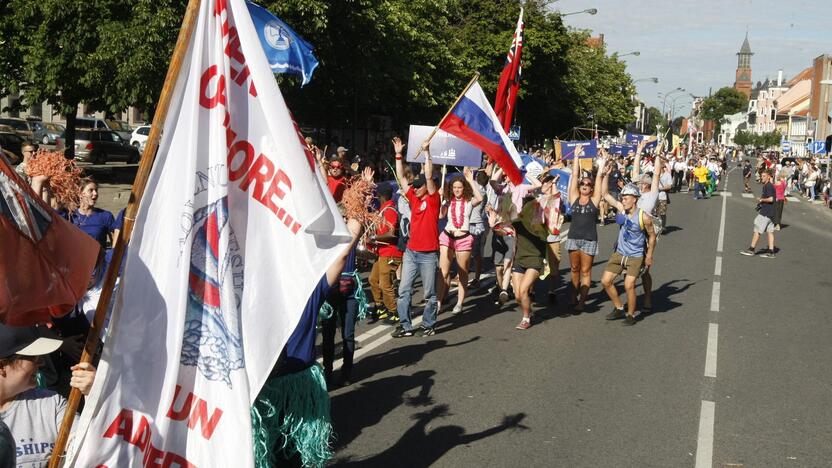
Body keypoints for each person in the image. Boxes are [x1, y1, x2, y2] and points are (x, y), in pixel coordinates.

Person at [252, 218, 364, 467]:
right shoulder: (254, 296)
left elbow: (340, 256)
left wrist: (355, 216)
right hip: (266, 392)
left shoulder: (308, 291)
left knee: (291, 457)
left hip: (295, 393)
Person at [0, 324, 96, 468]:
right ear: (2, 366)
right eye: (32, 357)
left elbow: (89, 448)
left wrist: (95, 396)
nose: (41, 362)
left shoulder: (52, 403)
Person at [392, 140, 441, 338]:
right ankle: (406, 326)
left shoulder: (433, 199)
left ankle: (428, 324)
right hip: (411, 252)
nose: (416, 189)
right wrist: (398, 155)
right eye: (416, 186)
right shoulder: (413, 196)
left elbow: (428, 176)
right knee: (404, 290)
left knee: (429, 294)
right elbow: (401, 177)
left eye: (420, 187)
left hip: (428, 254)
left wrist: (427, 152)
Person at [599, 184, 656, 325]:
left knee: (628, 285)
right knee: (605, 281)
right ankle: (619, 308)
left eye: (625, 198)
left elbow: (652, 236)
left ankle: (631, 315)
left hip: (635, 255)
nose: (623, 201)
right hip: (620, 253)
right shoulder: (621, 210)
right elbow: (605, 194)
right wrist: (604, 172)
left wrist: (649, 255)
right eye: (622, 198)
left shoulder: (644, 217)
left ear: (634, 199)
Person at [511, 174, 563, 329]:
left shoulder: (540, 223)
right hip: (519, 259)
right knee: (518, 296)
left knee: (523, 290)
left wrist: (550, 188)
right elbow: (503, 228)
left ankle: (526, 318)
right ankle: (528, 311)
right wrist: (494, 223)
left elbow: (553, 203)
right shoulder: (517, 222)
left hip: (535, 259)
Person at [436, 167, 483, 315]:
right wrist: (440, 199)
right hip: (447, 237)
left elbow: (480, 198)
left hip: (463, 238)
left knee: (462, 272)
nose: (457, 190)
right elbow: (440, 216)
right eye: (454, 187)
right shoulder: (448, 201)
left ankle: (459, 302)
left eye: (459, 187)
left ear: (464, 188)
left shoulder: (469, 201)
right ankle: (438, 301)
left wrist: (470, 180)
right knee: (443, 271)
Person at [565, 146, 605, 313]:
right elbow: (574, 175)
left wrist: (601, 165)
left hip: (589, 239)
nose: (585, 185)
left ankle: (582, 302)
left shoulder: (594, 201)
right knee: (574, 269)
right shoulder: (573, 198)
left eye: (588, 184)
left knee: (585, 271)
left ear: (591, 188)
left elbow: (599, 180)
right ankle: (573, 296)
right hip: (573, 238)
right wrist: (576, 157)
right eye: (582, 183)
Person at [367, 184, 402, 324]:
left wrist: (374, 238)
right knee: (373, 280)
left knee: (385, 284)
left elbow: (392, 234)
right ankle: (381, 307)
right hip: (382, 252)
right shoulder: (383, 209)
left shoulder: (389, 210)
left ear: (380, 196)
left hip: (391, 253)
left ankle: (394, 312)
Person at [740, 170, 777, 258]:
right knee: (770, 232)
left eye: (764, 176)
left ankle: (751, 250)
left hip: (765, 212)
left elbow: (771, 199)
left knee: (757, 230)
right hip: (771, 213)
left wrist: (761, 200)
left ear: (769, 176)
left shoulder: (768, 186)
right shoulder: (769, 186)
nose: (762, 177)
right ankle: (771, 252)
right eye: (761, 176)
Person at [70, 178, 115, 248]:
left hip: (98, 258)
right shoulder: (70, 216)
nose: (95, 193)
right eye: (91, 190)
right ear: (80, 193)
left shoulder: (105, 216)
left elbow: (116, 244)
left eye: (96, 190)